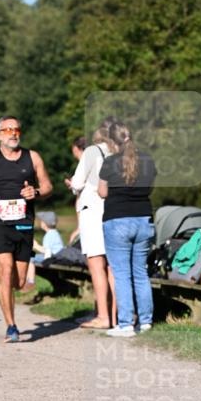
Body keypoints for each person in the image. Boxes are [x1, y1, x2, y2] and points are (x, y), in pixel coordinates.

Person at [0, 117, 52, 342]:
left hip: (24, 222)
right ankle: (11, 327)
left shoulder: (32, 157)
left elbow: (47, 185)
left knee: (19, 281)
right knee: (6, 270)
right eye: (7, 130)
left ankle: (6, 286)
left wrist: (35, 192)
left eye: (17, 129)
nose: (13, 134)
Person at [98, 121, 157, 338]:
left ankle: (125, 324)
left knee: (122, 275)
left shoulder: (110, 162)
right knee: (141, 272)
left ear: (112, 142)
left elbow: (102, 192)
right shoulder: (148, 160)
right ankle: (146, 322)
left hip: (117, 220)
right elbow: (149, 187)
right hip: (143, 219)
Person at [66, 120, 116, 330]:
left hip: (93, 212)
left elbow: (77, 183)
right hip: (115, 211)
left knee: (97, 265)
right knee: (114, 266)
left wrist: (73, 185)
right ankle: (117, 316)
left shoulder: (91, 152)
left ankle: (102, 316)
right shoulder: (120, 153)